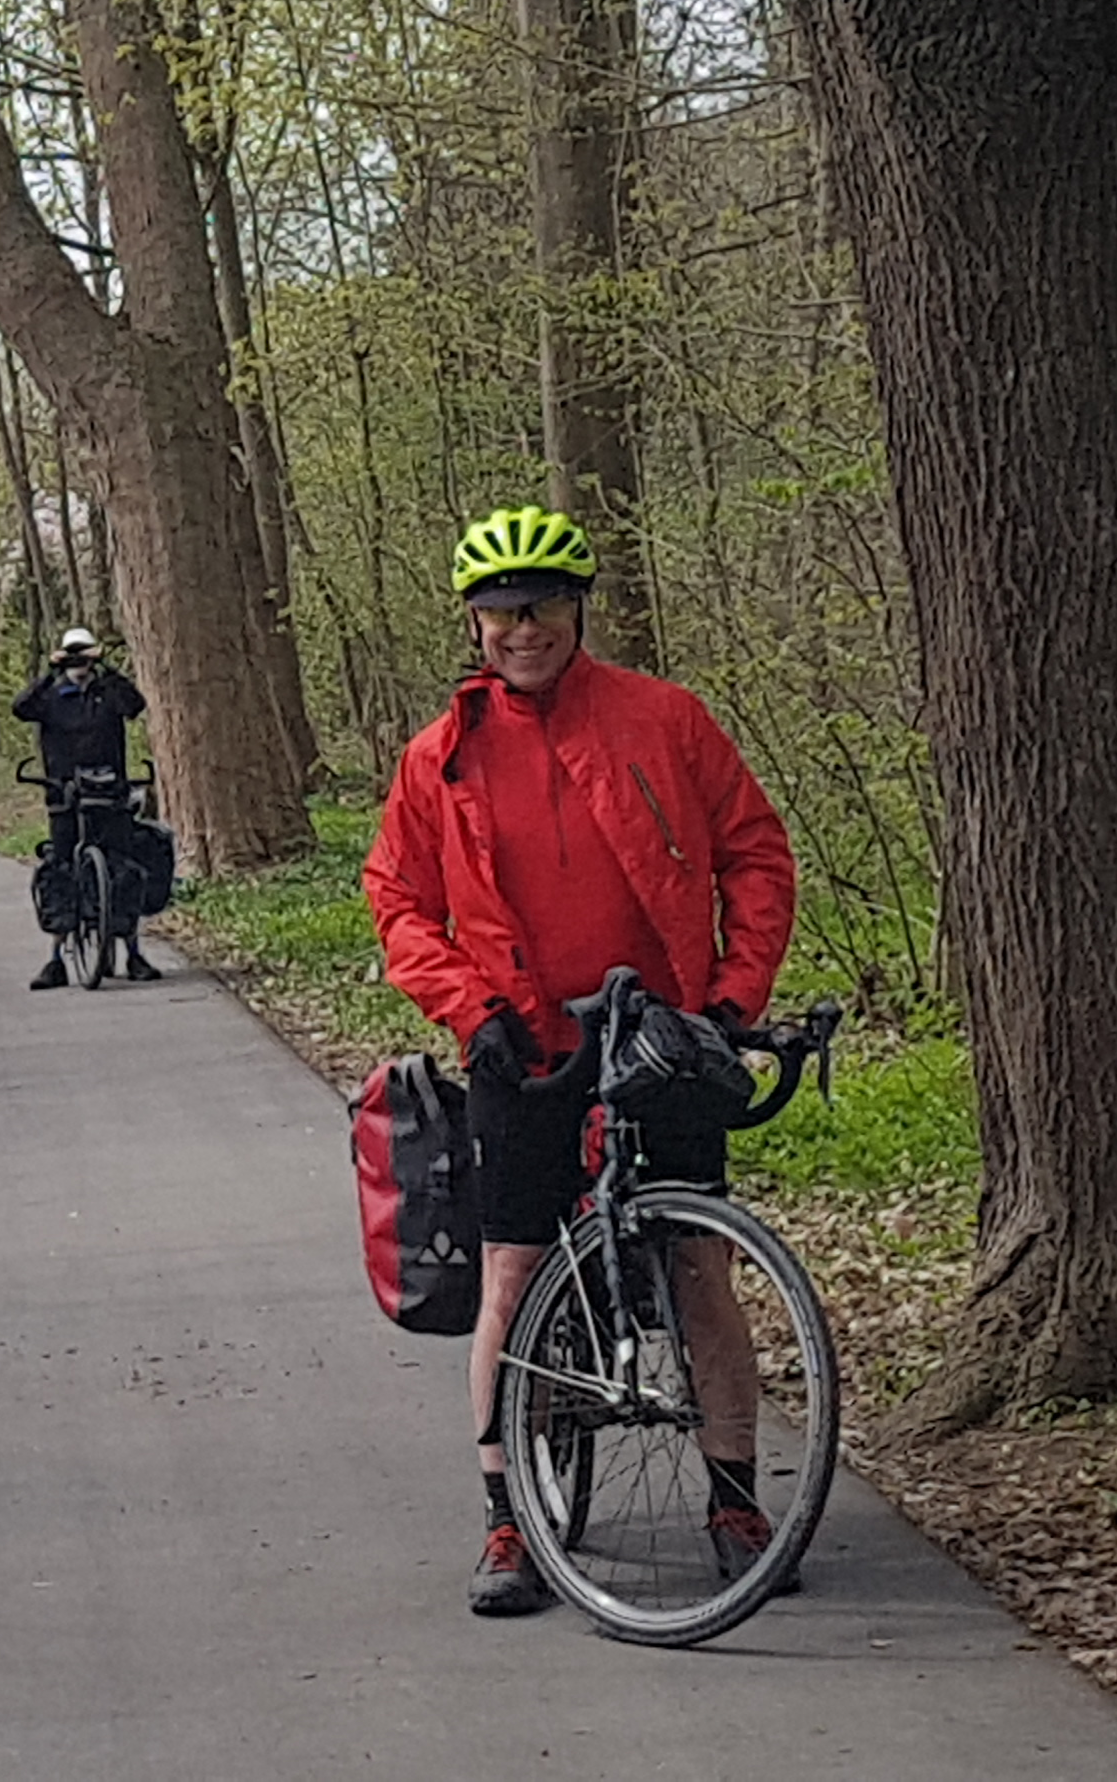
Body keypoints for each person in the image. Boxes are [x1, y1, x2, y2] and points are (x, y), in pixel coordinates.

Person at [361, 506, 798, 1618]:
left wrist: (732, 1000)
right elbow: (398, 899)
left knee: (699, 1265)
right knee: (512, 1271)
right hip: (519, 1044)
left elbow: (754, 855)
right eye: (503, 610)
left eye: (545, 605)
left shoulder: (665, 719)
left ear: (578, 611)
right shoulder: (440, 756)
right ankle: (508, 1517)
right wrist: (469, 1011)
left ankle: (735, 1503)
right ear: (474, 623)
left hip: (663, 1033)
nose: (525, 628)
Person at [11, 626, 158, 988]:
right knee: (61, 871)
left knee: (122, 869)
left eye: (84, 654)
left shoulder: (108, 692)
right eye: (72, 655)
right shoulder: (51, 696)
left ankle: (133, 953)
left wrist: (105, 667)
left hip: (109, 792)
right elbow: (21, 708)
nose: (78, 663)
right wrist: (51, 671)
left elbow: (135, 705)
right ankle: (56, 958)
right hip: (64, 794)